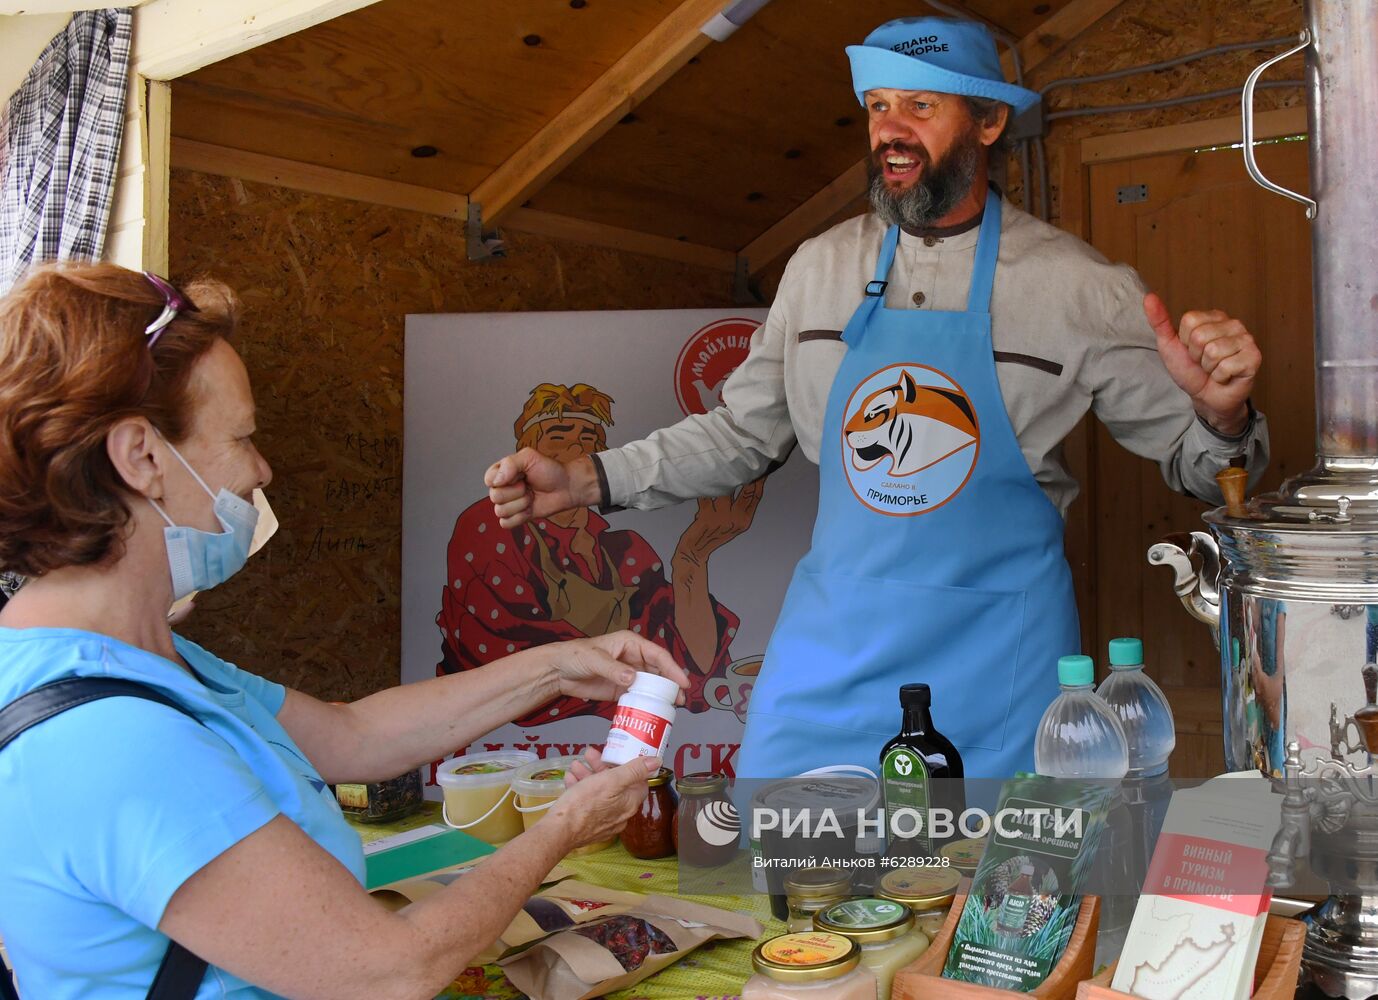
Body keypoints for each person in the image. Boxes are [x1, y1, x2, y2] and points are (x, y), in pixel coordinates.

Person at [486, 16, 1269, 780]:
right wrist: (589, 478)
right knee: (784, 870)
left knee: (984, 898)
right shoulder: (817, 269)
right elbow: (741, 436)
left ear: (989, 121)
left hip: (997, 656)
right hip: (834, 652)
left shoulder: (1080, 288)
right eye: (877, 106)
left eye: (921, 107)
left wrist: (1222, 414)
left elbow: (1204, 467)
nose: (890, 129)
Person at [0, 263, 688, 999]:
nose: (260, 469)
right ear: (141, 457)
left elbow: (349, 736)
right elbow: (388, 970)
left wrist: (558, 666)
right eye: (242, 437)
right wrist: (561, 830)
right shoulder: (112, 738)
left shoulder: (128, 657)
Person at [437, 381, 757, 725]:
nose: (577, 443)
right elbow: (508, 665)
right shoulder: (492, 525)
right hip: (512, 741)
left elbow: (690, 668)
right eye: (559, 434)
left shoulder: (626, 553)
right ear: (526, 452)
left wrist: (691, 559)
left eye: (589, 437)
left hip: (619, 735)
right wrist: (628, 681)